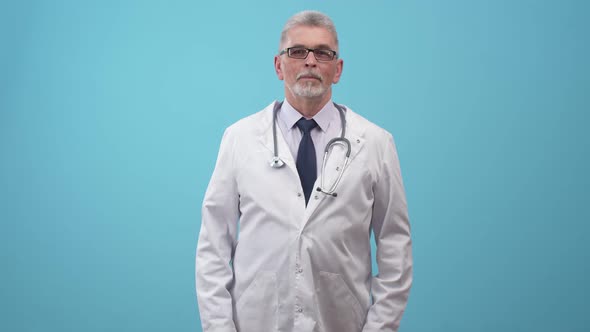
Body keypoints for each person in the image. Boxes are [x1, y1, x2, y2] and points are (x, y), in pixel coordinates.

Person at [196, 10, 412, 332]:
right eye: (297, 51)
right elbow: (213, 249)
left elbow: (395, 248)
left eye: (323, 53)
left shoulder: (376, 144)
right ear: (278, 65)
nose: (310, 61)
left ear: (337, 69)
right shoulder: (239, 139)